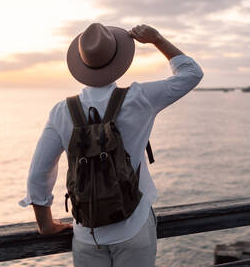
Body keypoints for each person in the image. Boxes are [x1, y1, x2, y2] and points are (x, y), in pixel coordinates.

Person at [19, 23, 204, 266]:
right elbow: (191, 74)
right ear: (119, 60)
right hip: (133, 225)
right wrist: (157, 39)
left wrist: (45, 224)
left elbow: (39, 173)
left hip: (87, 233)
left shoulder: (62, 112)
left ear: (82, 64)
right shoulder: (140, 98)